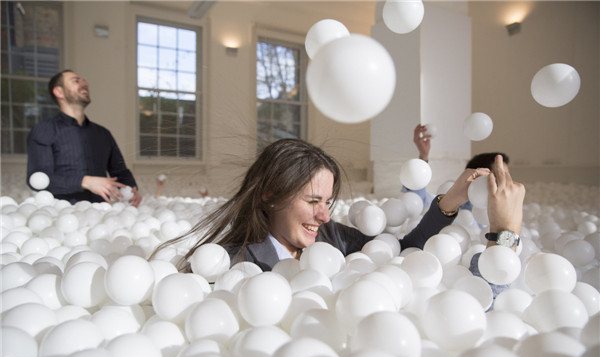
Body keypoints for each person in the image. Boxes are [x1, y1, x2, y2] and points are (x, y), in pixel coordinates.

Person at [152, 139, 525, 290]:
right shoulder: (232, 263)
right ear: (269, 195)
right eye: (313, 201)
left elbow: (403, 252)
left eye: (327, 202)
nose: (324, 215)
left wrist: (449, 202)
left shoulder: (334, 238)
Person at [26, 70, 141, 206]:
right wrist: (84, 181)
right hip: (60, 214)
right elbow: (38, 179)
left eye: (84, 81)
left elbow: (120, 171)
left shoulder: (103, 134)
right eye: (76, 81)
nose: (85, 84)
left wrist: (132, 189)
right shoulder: (44, 130)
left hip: (101, 213)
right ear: (59, 92)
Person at [405, 123, 510, 210]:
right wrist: (423, 157)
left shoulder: (507, 212)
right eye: (502, 175)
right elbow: (415, 203)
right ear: (480, 177)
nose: (508, 182)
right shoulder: (452, 206)